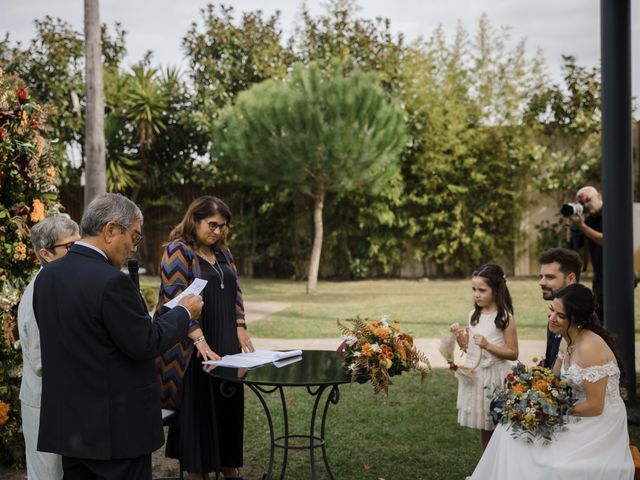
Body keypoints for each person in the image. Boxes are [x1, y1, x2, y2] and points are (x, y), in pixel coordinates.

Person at [32, 193, 203, 480]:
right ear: (110, 230)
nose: (133, 249)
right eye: (134, 237)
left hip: (69, 426)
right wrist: (185, 313)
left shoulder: (47, 277)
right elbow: (144, 342)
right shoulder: (111, 282)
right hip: (115, 431)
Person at [469, 284, 633, 479]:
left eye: (561, 315)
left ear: (578, 320)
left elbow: (595, 406)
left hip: (598, 422)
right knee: (509, 428)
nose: (552, 317)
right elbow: (553, 379)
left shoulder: (590, 349)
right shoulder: (566, 339)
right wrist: (530, 398)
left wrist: (549, 412)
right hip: (573, 408)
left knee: (552, 465)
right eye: (551, 310)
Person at [156, 195, 254, 480]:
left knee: (228, 409)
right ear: (195, 220)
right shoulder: (178, 251)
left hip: (226, 343)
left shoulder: (224, 253)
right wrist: (199, 340)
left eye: (222, 226)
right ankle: (198, 472)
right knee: (199, 413)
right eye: (212, 224)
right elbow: (176, 298)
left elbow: (235, 290)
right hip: (192, 348)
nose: (217, 231)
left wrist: (240, 324)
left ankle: (228, 467)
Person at [18, 215, 80, 480]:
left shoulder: (64, 283)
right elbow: (40, 359)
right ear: (45, 253)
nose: (79, 253)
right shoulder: (37, 292)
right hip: (44, 403)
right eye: (70, 247)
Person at [454, 264, 519, 451]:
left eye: (482, 290)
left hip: (496, 378)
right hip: (479, 377)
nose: (476, 294)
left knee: (499, 425)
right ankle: (486, 465)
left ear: (496, 290)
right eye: (474, 289)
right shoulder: (474, 315)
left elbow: (513, 353)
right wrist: (459, 335)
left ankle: (502, 464)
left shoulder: (504, 318)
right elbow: (469, 349)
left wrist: (488, 345)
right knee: (485, 425)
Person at [538, 248, 582, 368]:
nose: (541, 282)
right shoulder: (554, 313)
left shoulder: (582, 318)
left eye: (549, 277)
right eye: (541, 276)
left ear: (571, 279)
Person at [566, 185, 603, 321]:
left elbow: (608, 241)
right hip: (600, 278)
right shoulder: (588, 221)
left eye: (588, 200)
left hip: (618, 277)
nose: (586, 205)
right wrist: (571, 228)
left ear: (599, 196)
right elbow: (577, 254)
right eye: (582, 203)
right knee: (598, 320)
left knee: (617, 320)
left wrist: (582, 227)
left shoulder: (612, 213)